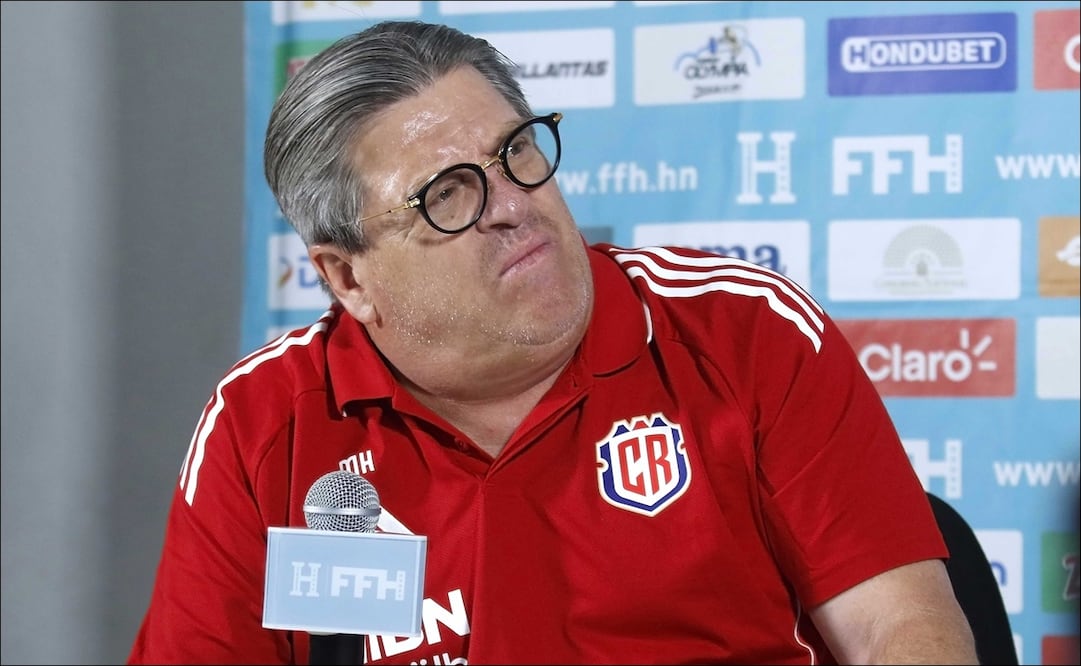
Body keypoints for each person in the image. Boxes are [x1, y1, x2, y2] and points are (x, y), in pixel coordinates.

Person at [128, 19, 979, 666]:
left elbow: (900, 630)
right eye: (448, 195)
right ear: (347, 278)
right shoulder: (262, 420)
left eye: (517, 151)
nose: (511, 202)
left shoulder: (743, 331)